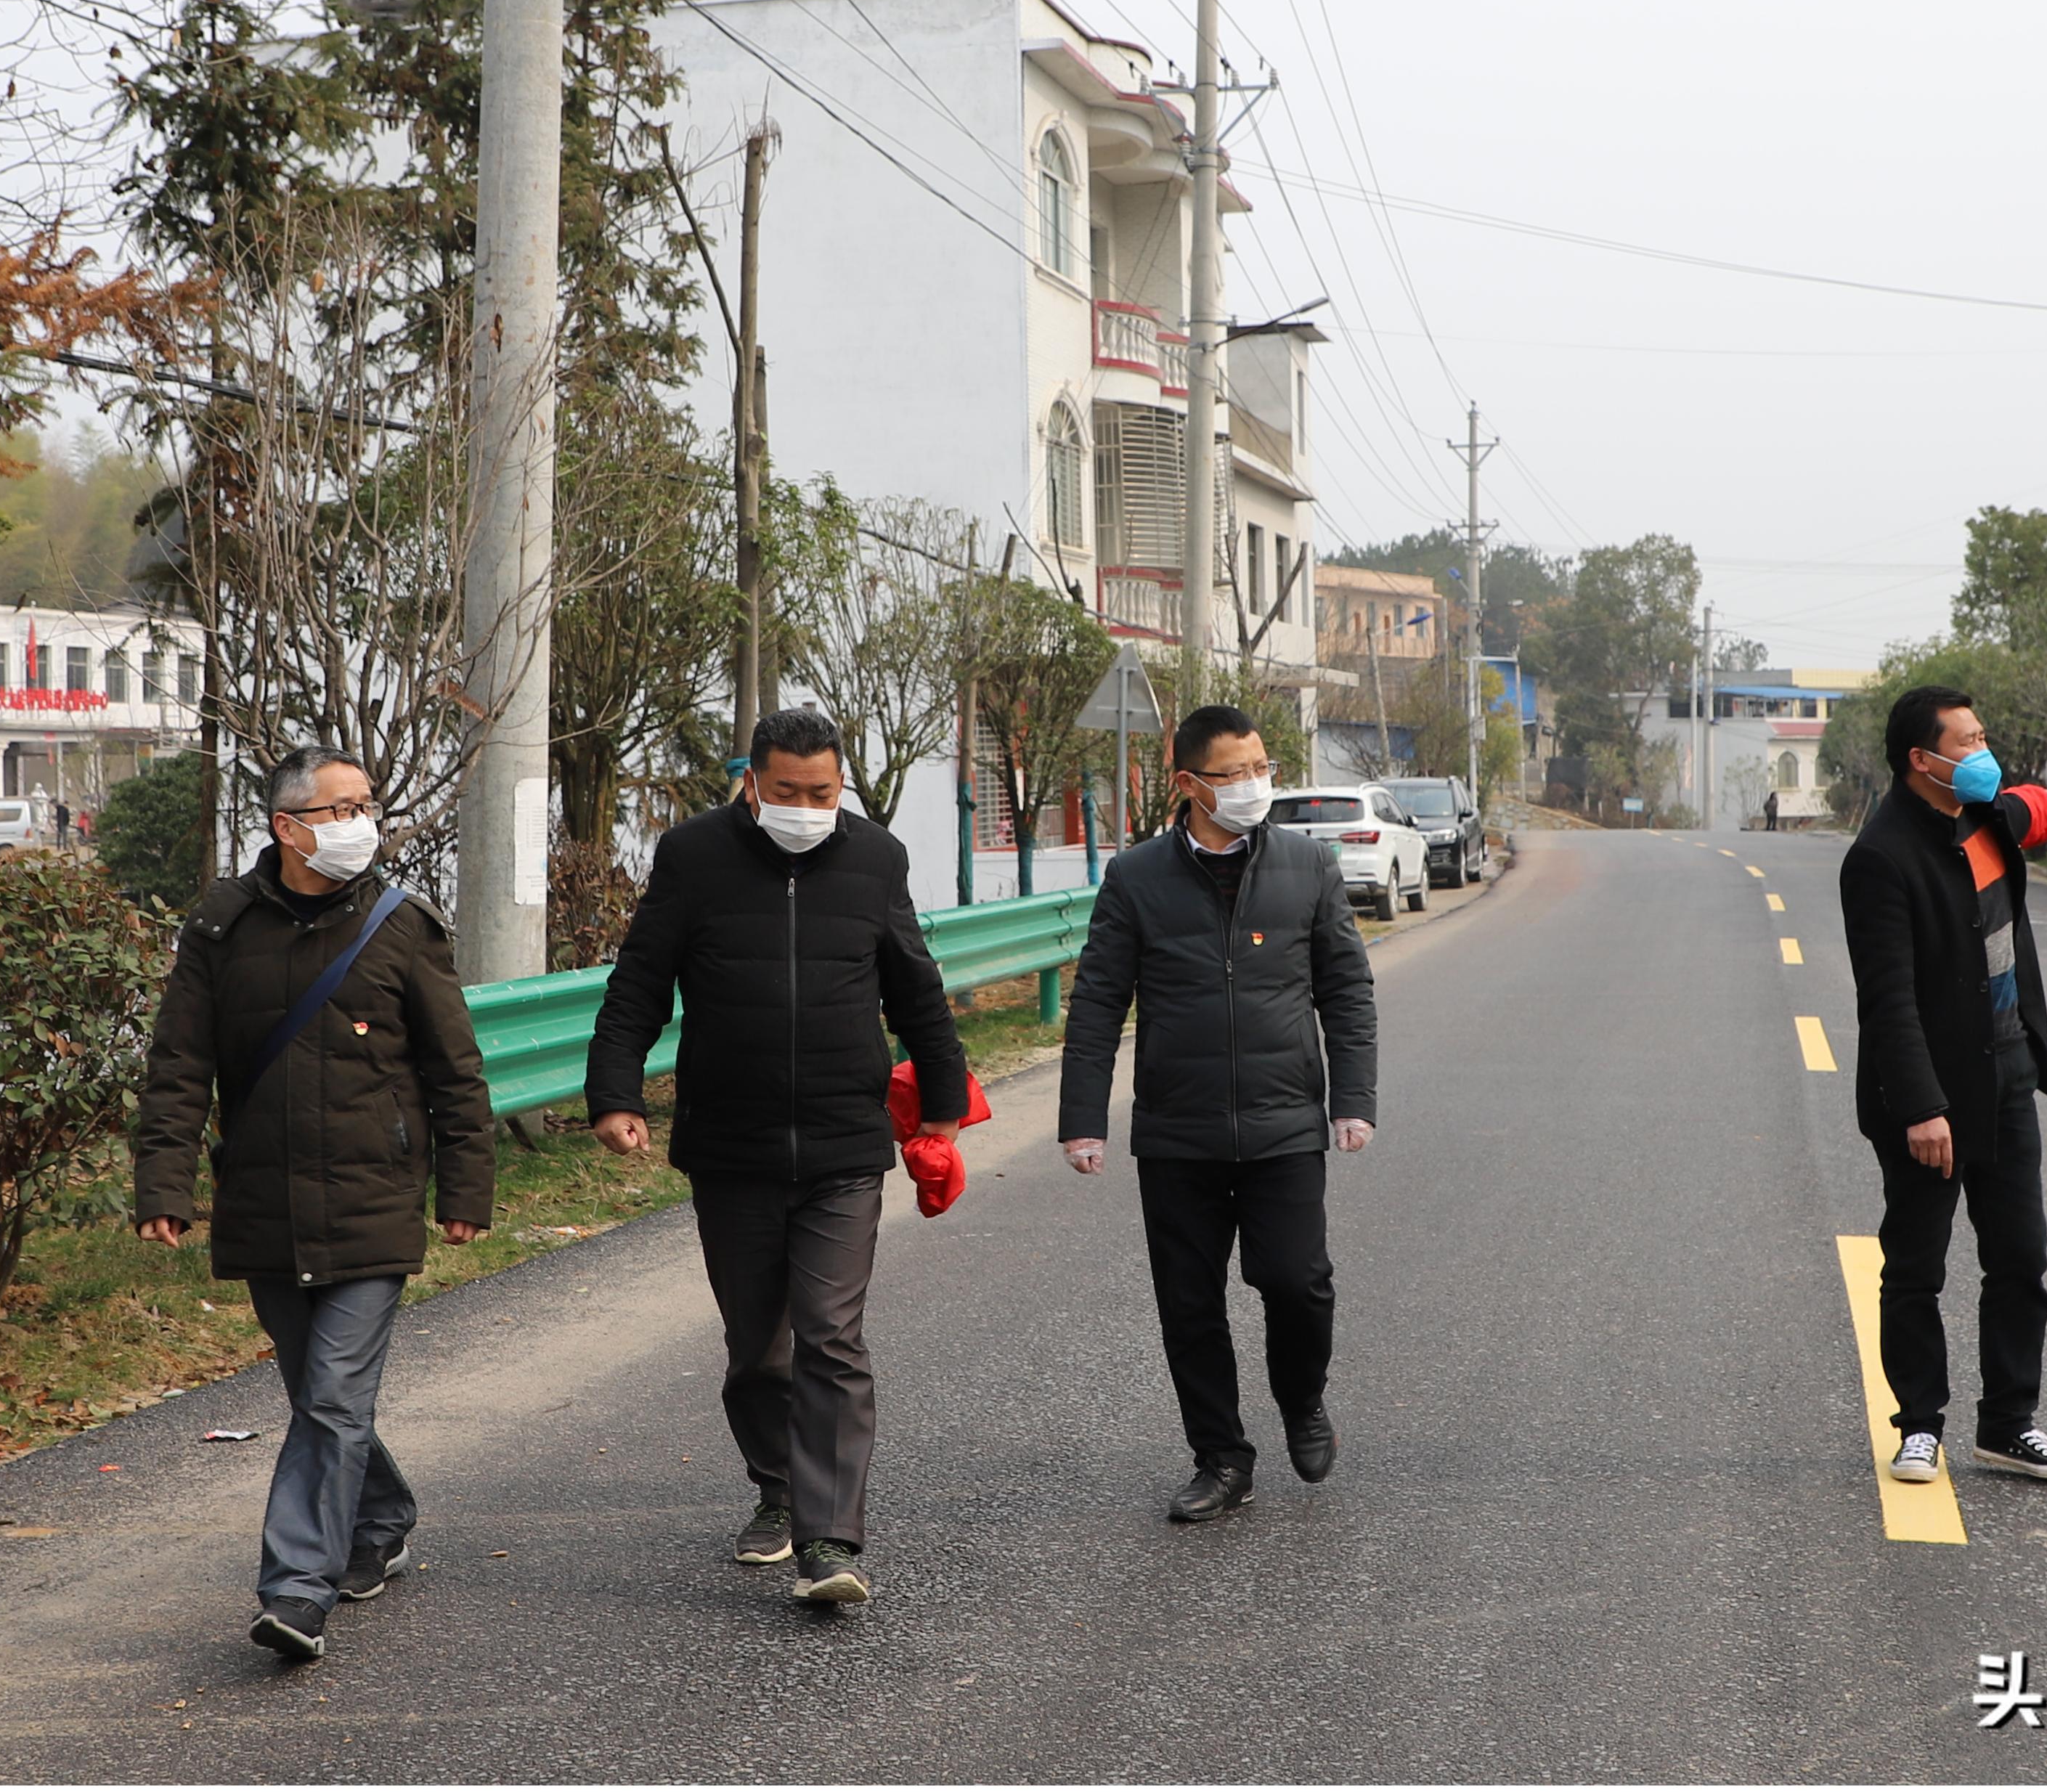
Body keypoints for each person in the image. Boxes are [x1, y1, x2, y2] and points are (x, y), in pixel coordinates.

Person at [586, 707, 968, 1608]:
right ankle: (777, 1486)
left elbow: (917, 985)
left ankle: (831, 1538)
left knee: (831, 1335)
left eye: (823, 793)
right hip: (731, 1143)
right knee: (758, 1347)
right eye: (788, 792)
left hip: (843, 1141)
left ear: (843, 786)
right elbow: (638, 981)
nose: (806, 808)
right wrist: (615, 1094)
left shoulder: (875, 858)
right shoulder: (693, 857)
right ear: (751, 781)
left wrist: (943, 1108)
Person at [132, 746, 495, 1661]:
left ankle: (297, 1590)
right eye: (341, 809)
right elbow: (179, 1066)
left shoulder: (400, 925)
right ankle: (381, 1517)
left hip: (374, 1203)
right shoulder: (221, 926)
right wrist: (164, 1183)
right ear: (287, 828)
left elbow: (455, 1070)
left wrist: (465, 1186)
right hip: (263, 1203)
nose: (361, 823)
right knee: (317, 1395)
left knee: (331, 1399)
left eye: (367, 805)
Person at [1059, 704, 1379, 1523]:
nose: (1252, 785)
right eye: (1234, 773)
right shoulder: (1137, 877)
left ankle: (1302, 1401)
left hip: (1283, 1123)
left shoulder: (1307, 866)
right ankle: (1220, 1458)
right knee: (1189, 1303)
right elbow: (1098, 1001)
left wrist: (1353, 1099)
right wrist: (1082, 1117)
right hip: (1178, 1129)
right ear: (1189, 784)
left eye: (1260, 767)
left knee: (1296, 1281)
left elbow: (1346, 988)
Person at [1837, 685, 2047, 1488]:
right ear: (1922, 759)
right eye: (1966, 741)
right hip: (1929, 1099)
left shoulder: (1987, 820)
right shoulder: (1879, 858)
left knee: (2020, 1257)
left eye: (1984, 736)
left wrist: (2038, 802)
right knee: (1916, 1265)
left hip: (2008, 1072)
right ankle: (1918, 1427)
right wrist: (1921, 1106)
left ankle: (2009, 1426)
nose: (1981, 752)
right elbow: (1887, 999)